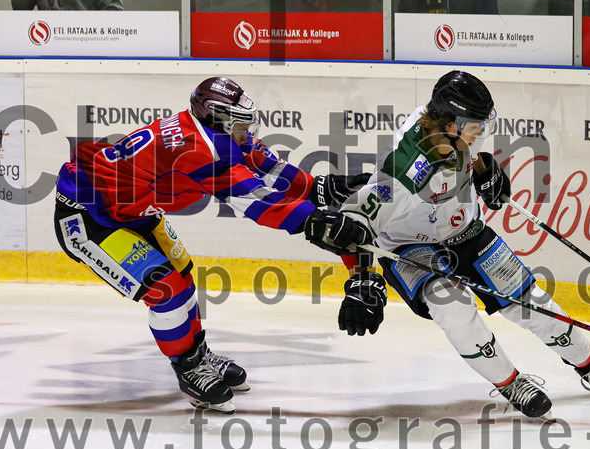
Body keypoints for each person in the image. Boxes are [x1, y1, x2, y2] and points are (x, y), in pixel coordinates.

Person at [53, 77, 369, 413]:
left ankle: (195, 353)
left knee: (184, 278)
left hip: (131, 210)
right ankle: (187, 368)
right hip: (88, 216)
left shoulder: (213, 133)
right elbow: (257, 201)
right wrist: (311, 220)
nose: (246, 133)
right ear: (217, 116)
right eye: (241, 125)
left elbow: (264, 163)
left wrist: (318, 188)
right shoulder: (197, 150)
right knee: (167, 290)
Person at [332, 70, 590, 420]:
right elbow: (352, 221)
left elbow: (470, 159)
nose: (481, 132)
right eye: (476, 125)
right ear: (451, 124)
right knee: (455, 310)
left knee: (529, 301)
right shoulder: (404, 171)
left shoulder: (445, 126)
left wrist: (487, 171)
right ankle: (511, 383)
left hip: (467, 230)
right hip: (410, 248)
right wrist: (361, 279)